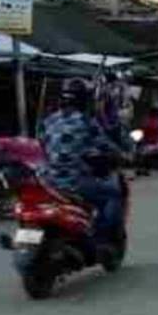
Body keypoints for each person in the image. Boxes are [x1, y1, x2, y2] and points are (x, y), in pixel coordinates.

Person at [40, 79, 124, 233]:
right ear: (83, 100)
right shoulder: (86, 122)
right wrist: (123, 154)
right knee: (114, 194)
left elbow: (46, 146)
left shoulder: (49, 120)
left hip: (48, 182)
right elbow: (106, 145)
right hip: (72, 182)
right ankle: (101, 235)